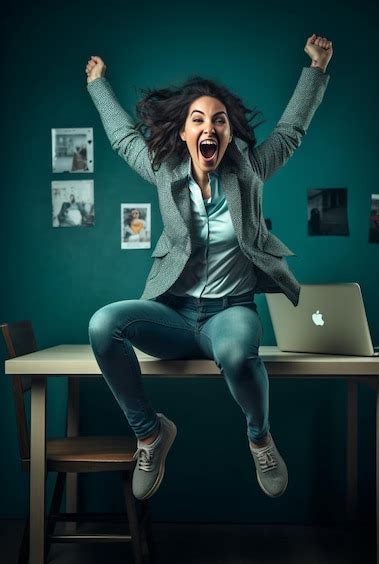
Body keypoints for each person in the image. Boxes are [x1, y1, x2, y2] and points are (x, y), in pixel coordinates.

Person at [85, 34, 333, 501]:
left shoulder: (250, 171)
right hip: (174, 315)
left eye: (218, 120)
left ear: (228, 133)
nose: (209, 126)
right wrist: (99, 85)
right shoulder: (164, 171)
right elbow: (122, 139)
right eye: (197, 119)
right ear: (183, 132)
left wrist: (316, 69)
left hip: (229, 314)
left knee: (240, 354)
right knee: (104, 325)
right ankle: (150, 435)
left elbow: (290, 132)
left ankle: (259, 437)